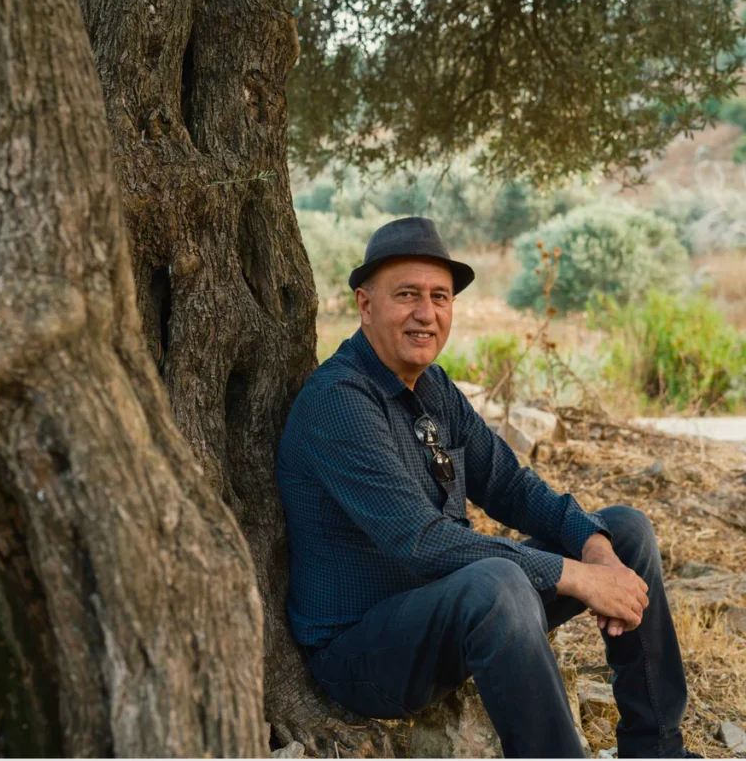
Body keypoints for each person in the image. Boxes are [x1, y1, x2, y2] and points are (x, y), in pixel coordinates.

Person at [276, 216, 695, 758]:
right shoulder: (339, 401)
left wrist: (596, 550)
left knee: (623, 531)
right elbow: (421, 541)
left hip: (451, 615)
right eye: (406, 295)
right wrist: (578, 577)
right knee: (496, 581)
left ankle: (658, 749)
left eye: (440, 297)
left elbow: (511, 488)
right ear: (365, 304)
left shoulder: (433, 387)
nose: (426, 313)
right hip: (362, 653)